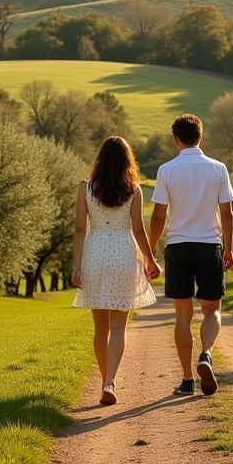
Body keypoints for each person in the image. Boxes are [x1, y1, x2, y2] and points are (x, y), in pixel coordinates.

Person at [149, 113, 233, 397]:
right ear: (201, 136)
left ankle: (187, 380)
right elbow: (227, 213)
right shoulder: (218, 168)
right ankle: (206, 354)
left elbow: (159, 217)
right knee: (212, 310)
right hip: (209, 245)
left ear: (176, 139)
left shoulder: (166, 170)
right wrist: (229, 248)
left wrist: (150, 250)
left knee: (182, 316)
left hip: (178, 247)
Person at [71, 136, 160, 406]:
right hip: (123, 253)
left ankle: (104, 381)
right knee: (119, 326)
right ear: (127, 162)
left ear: (100, 159)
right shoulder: (134, 190)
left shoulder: (85, 188)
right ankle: (110, 380)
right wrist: (151, 260)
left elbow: (79, 229)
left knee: (100, 328)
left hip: (95, 253)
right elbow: (138, 230)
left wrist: (76, 265)